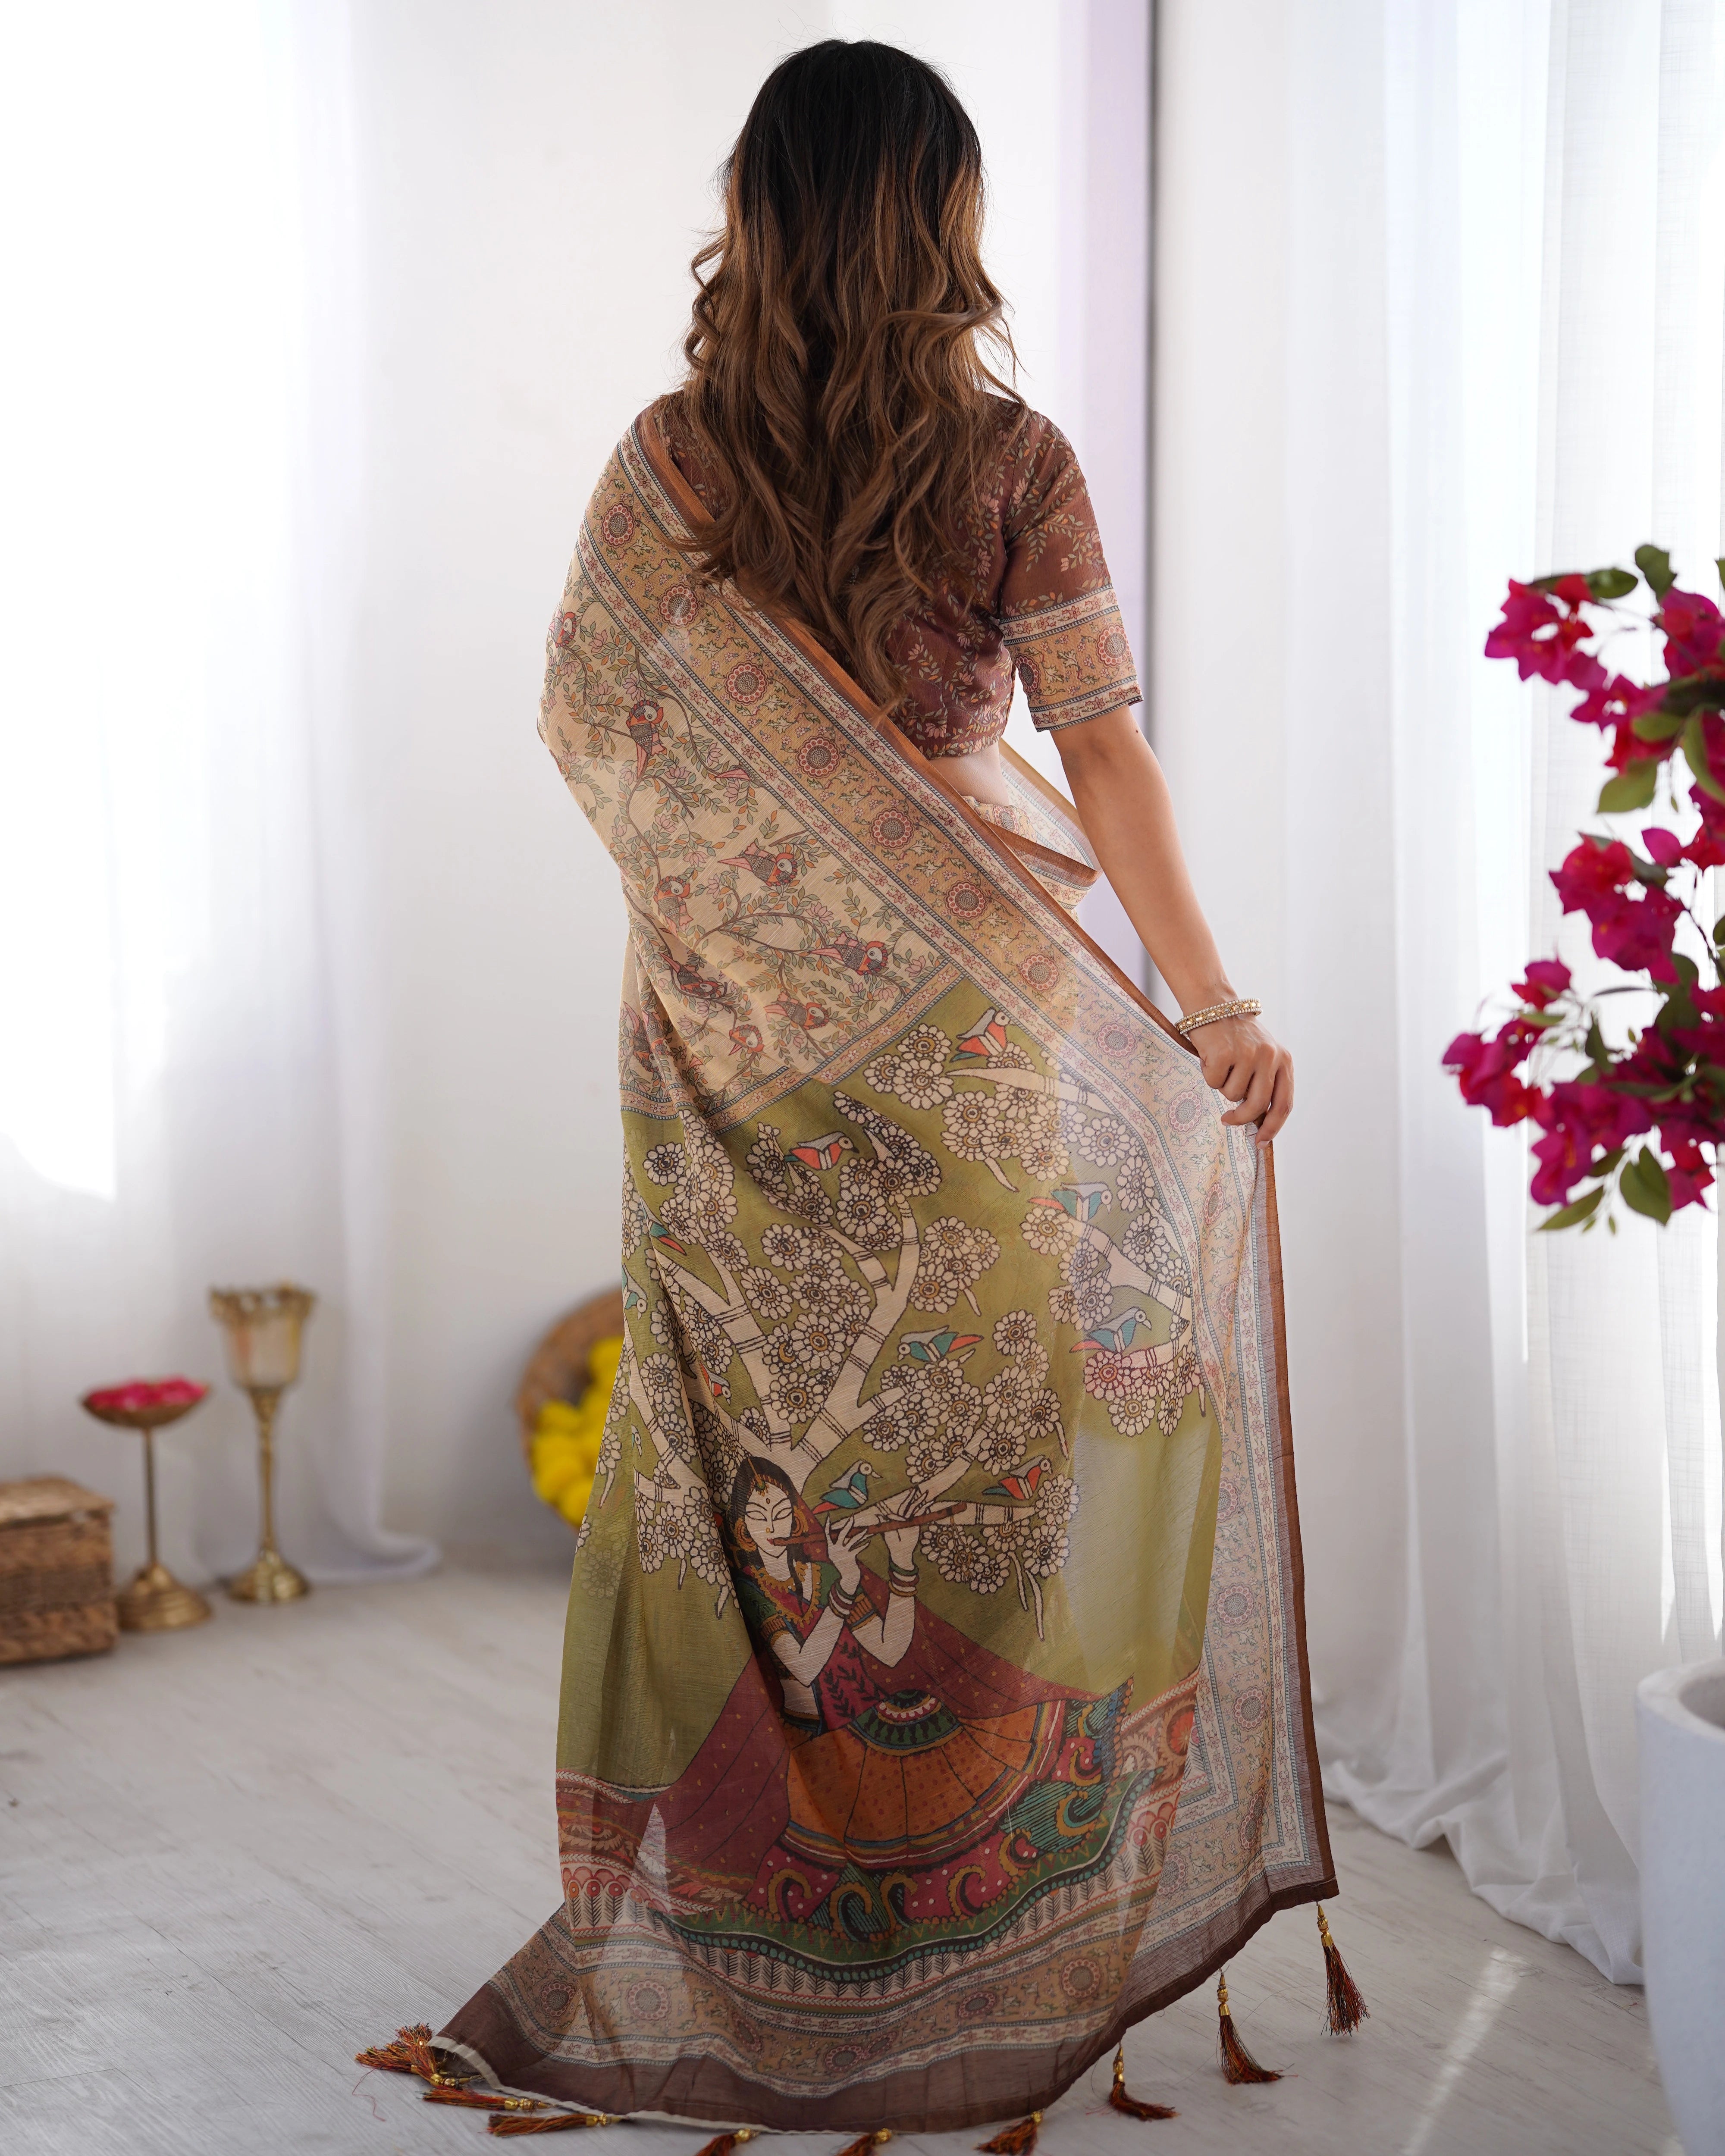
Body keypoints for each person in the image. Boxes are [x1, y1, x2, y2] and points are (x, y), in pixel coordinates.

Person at [421, 39, 1338, 2136]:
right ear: (946, 216)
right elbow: (1098, 749)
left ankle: (769, 1936)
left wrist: (775, 906)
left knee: (756, 1488)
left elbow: (593, 726)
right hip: (975, 1058)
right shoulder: (1010, 456)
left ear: (755, 209)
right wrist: (1206, 1003)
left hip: (726, 1047)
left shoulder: (669, 459)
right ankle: (970, 1919)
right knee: (989, 1476)